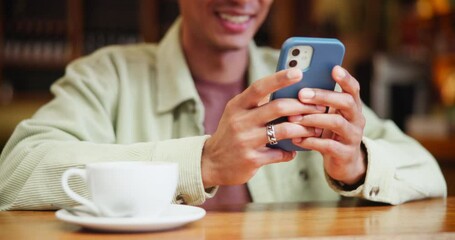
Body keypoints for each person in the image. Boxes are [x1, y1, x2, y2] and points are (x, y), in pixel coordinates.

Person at [0, 0, 447, 210]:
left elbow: (428, 173)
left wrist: (357, 165)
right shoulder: (107, 75)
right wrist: (203, 162)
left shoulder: (307, 87)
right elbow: (16, 174)